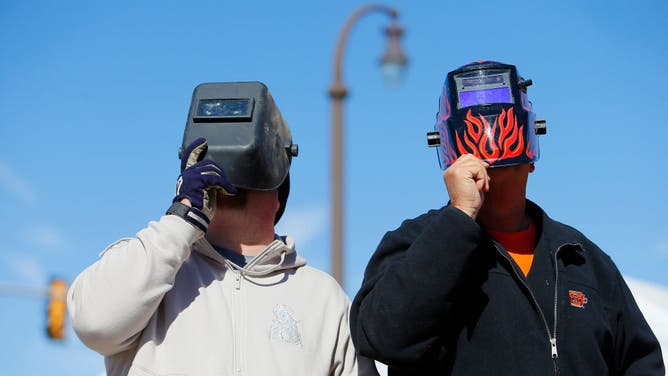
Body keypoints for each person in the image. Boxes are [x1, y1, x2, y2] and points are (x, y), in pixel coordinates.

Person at [349, 61, 664, 375]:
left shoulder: (582, 260)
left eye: (505, 165)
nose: (491, 176)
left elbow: (640, 363)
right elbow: (381, 336)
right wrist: (459, 219)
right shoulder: (415, 244)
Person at [68, 82, 377, 376]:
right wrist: (181, 217)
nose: (228, 179)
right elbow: (94, 323)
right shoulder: (150, 269)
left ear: (279, 198)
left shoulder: (322, 298)